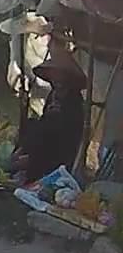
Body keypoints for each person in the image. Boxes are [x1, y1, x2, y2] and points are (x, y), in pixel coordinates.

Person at [11, 49, 86, 183]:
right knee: (32, 124)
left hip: (62, 146)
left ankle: (30, 164)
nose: (56, 79)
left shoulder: (74, 99)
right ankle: (21, 156)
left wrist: (58, 114)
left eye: (60, 76)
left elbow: (69, 129)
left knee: (46, 130)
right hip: (47, 142)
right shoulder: (53, 94)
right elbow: (44, 120)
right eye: (54, 76)